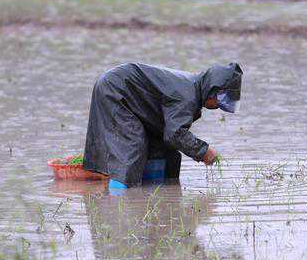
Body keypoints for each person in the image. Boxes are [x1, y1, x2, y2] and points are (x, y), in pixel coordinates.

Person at [83, 62, 242, 190]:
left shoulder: (192, 90)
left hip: (135, 101)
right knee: (131, 148)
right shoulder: (187, 95)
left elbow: (168, 135)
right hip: (115, 90)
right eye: (221, 100)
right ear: (212, 90)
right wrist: (203, 151)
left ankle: (157, 196)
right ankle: (117, 204)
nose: (219, 106)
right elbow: (175, 134)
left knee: (165, 153)